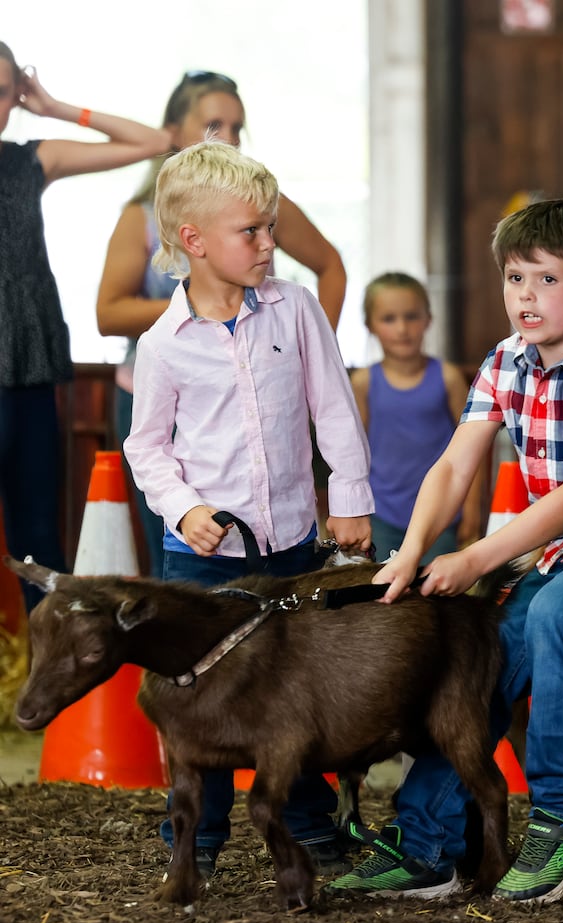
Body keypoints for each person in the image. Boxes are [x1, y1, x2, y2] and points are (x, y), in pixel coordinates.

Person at [327, 198, 563, 904]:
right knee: (490, 660)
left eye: (545, 280)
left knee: (556, 615)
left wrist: (472, 559)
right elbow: (452, 466)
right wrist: (411, 552)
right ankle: (426, 843)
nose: (526, 298)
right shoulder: (504, 361)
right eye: (514, 280)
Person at [122, 140, 372, 880]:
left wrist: (351, 500)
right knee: (198, 694)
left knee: (293, 689)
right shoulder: (164, 344)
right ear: (193, 242)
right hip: (200, 555)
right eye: (251, 232)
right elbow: (147, 449)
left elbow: (333, 408)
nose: (269, 244)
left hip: (293, 544)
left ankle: (305, 822)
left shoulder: (294, 309)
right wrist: (183, 506)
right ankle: (195, 836)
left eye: (270, 228)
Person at [96, 70, 347, 577]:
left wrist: (301, 351)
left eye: (237, 126)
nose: (228, 138)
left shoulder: (289, 298)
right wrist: (199, 319)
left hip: (289, 530)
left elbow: (330, 267)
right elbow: (109, 314)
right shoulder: (159, 336)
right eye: (214, 124)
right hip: (174, 437)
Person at [0, 42, 170, 610]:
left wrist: (52, 107)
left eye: (3, 92)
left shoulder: (29, 160)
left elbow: (152, 143)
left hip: (28, 373)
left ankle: (49, 682)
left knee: (39, 542)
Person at [352, 272, 483, 561]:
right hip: (382, 515)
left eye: (411, 316)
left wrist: (472, 508)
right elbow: (353, 455)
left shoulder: (448, 379)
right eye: (388, 319)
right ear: (369, 325)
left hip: (441, 514)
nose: (402, 329)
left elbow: (473, 448)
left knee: (433, 595)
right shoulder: (363, 383)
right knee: (386, 595)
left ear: (428, 319)